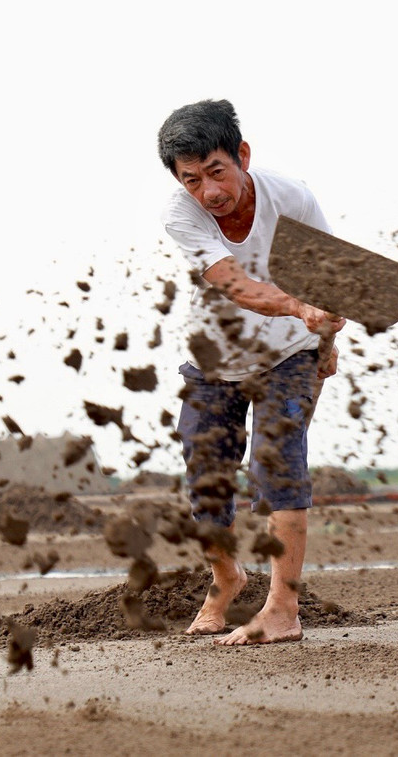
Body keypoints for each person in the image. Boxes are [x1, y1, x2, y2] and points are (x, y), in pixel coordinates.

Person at [157, 99, 345, 645]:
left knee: (279, 464)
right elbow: (235, 285)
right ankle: (227, 578)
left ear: (241, 155)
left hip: (291, 354)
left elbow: (330, 279)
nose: (209, 191)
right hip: (214, 358)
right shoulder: (181, 214)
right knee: (206, 480)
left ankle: (283, 609)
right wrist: (298, 307)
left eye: (217, 172)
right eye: (192, 180)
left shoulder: (293, 198)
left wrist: (327, 343)